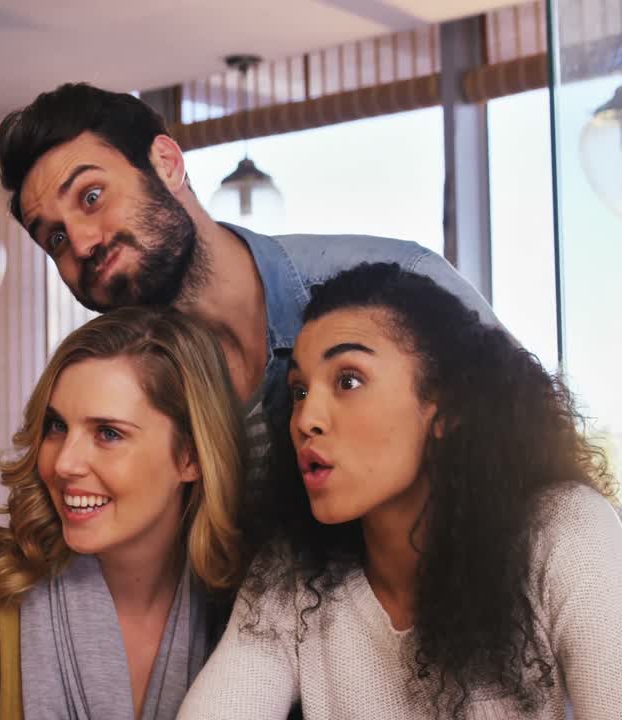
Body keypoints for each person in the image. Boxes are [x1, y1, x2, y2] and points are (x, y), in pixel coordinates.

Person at [0, 82, 500, 486]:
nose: (81, 243)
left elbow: (535, 468)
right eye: (55, 237)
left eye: (91, 196)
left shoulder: (397, 284)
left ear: (166, 164)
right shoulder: (129, 396)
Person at [177, 263, 622, 719]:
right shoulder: (291, 576)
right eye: (298, 391)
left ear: (446, 407)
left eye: (348, 381)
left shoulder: (567, 531)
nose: (306, 418)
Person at [0, 306, 247, 720]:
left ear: (190, 456)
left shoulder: (250, 610)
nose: (64, 463)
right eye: (57, 427)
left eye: (108, 433)